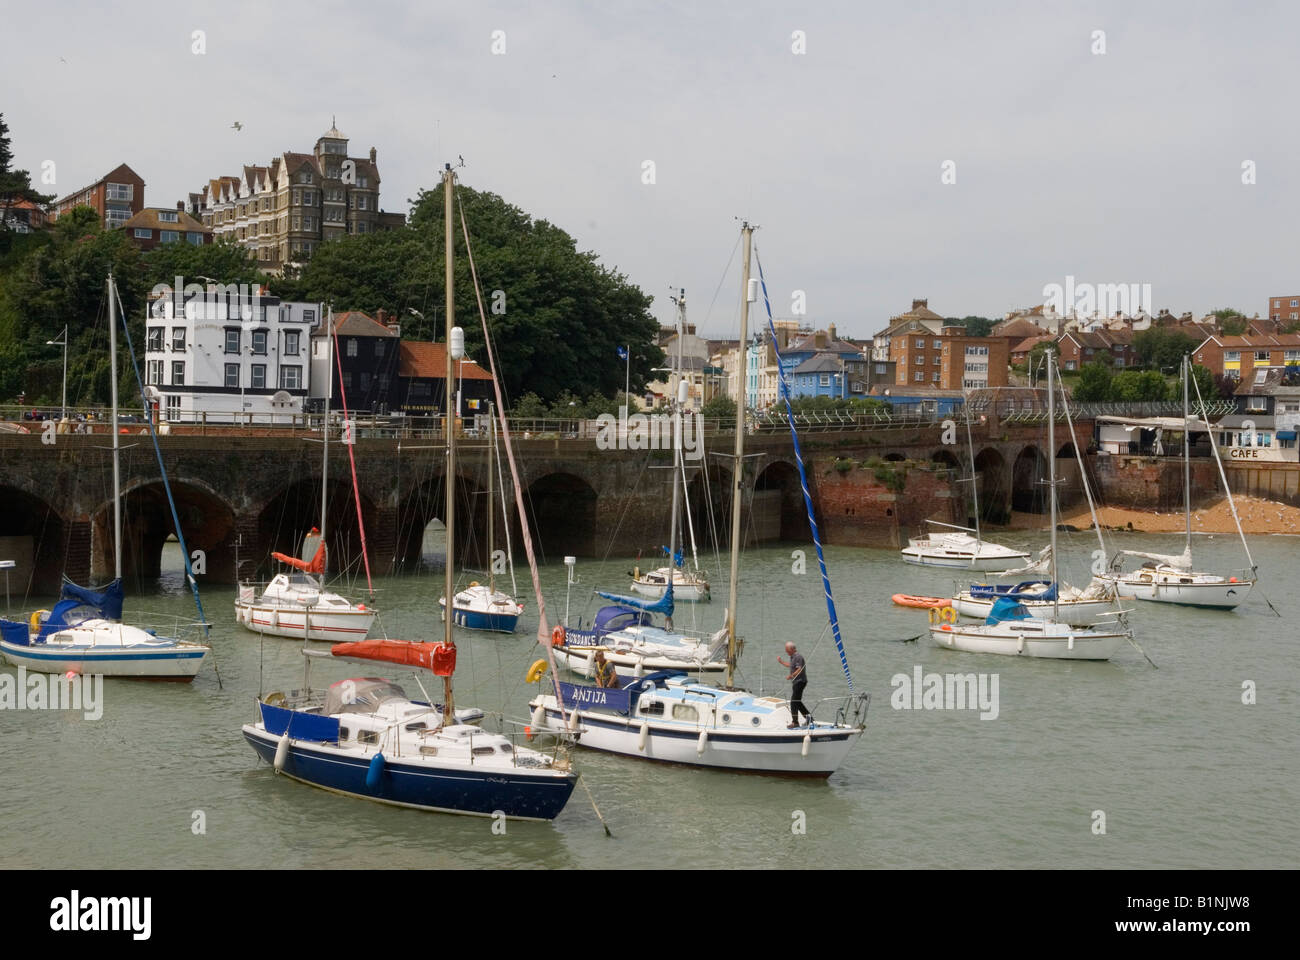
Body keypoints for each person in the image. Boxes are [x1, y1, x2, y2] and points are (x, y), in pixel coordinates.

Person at [777, 641, 811, 728]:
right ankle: (809, 718)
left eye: (787, 650)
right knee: (797, 702)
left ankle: (795, 722)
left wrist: (791, 676)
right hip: (796, 682)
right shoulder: (792, 657)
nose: (786, 651)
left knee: (793, 702)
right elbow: (791, 665)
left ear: (792, 649)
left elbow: (799, 669)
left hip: (800, 681)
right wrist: (781, 662)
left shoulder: (798, 657)